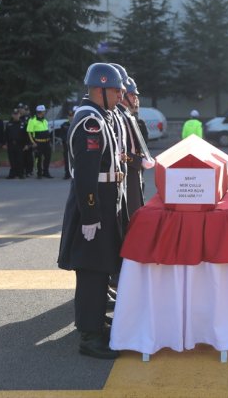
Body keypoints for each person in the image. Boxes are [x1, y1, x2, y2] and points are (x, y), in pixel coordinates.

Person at [58, 62, 126, 360]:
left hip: (100, 203)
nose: (121, 95)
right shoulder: (91, 122)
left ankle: (94, 322)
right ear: (100, 88)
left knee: (99, 269)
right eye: (116, 90)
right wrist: (91, 215)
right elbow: (86, 174)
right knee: (92, 271)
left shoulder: (100, 116)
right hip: (94, 205)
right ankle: (90, 336)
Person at [116, 75, 155, 218]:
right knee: (131, 213)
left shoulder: (127, 114)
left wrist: (143, 157)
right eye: (132, 94)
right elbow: (119, 151)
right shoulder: (119, 116)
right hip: (126, 172)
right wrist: (139, 161)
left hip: (134, 171)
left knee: (136, 210)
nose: (135, 98)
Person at [27, 104, 52, 179]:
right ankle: (39, 173)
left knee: (48, 157)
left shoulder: (45, 120)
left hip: (46, 142)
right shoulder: (32, 120)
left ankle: (46, 172)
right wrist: (33, 142)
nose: (44, 112)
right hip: (38, 142)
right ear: (40, 112)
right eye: (44, 111)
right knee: (38, 158)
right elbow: (29, 133)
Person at [5, 108, 28, 179]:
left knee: (20, 160)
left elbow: (27, 135)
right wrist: (4, 144)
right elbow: (5, 135)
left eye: (17, 114)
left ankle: (20, 174)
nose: (16, 116)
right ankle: (12, 174)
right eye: (14, 114)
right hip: (11, 144)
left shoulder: (23, 124)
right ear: (12, 115)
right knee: (12, 160)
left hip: (20, 145)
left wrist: (27, 144)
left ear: (20, 115)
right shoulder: (9, 124)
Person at [19, 104, 34, 177]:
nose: (22, 110)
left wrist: (29, 143)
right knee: (23, 157)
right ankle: (24, 170)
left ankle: (29, 170)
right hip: (22, 140)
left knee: (29, 157)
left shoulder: (30, 119)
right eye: (21, 109)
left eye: (25, 109)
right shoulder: (20, 118)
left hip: (29, 140)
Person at [60, 108, 75, 180]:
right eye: (69, 116)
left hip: (74, 145)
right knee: (67, 159)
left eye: (72, 116)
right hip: (66, 145)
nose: (71, 117)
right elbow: (62, 135)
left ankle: (74, 173)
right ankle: (67, 174)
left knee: (74, 160)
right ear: (68, 117)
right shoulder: (64, 125)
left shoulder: (76, 124)